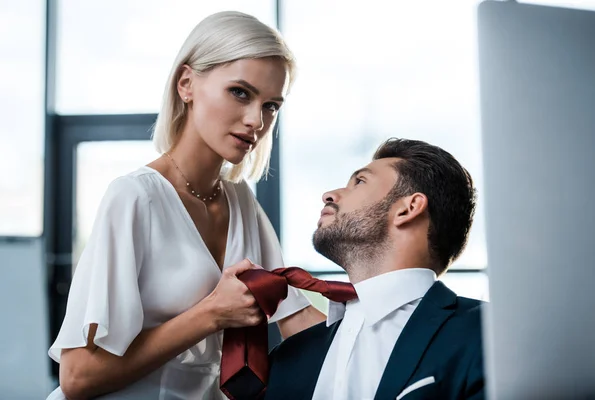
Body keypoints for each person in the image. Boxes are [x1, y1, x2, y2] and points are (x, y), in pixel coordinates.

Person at [46, 11, 324, 400]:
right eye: (240, 92)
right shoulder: (134, 197)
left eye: (271, 106)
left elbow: (298, 320)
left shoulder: (242, 202)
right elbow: (76, 377)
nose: (255, 121)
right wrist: (212, 313)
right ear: (187, 83)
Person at [265, 138, 484, 400]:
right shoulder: (288, 357)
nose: (329, 195)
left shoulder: (487, 331)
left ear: (408, 208)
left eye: (359, 182)